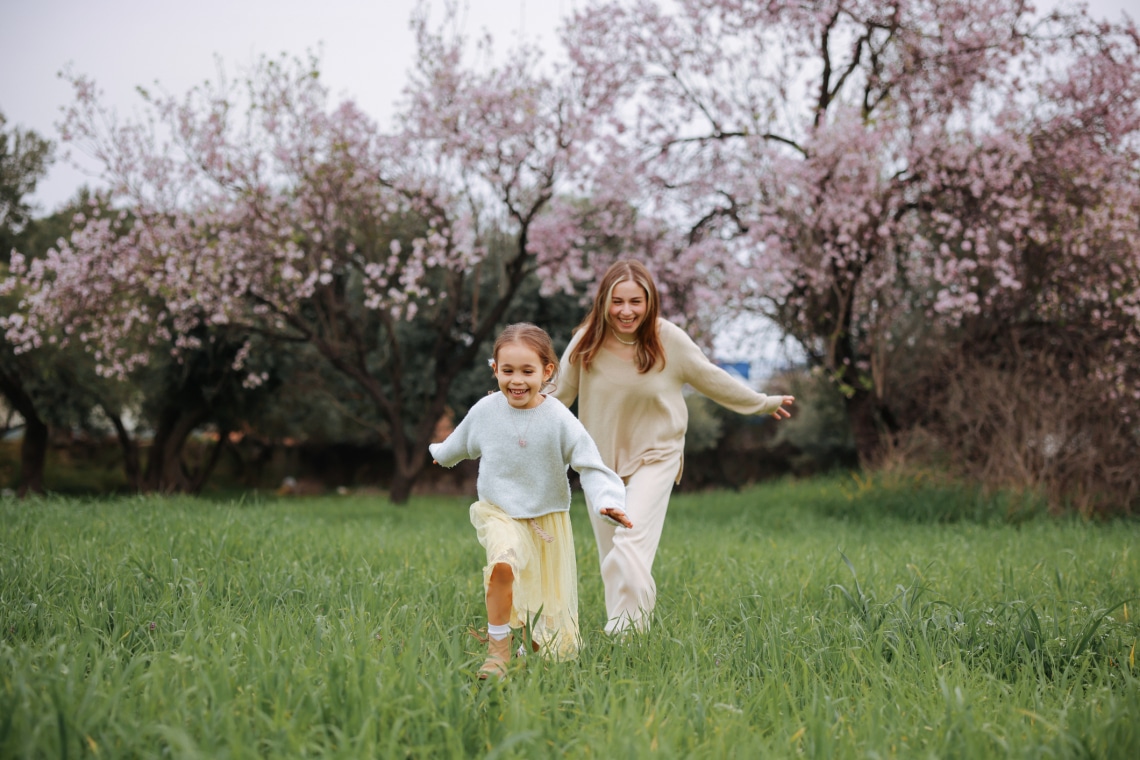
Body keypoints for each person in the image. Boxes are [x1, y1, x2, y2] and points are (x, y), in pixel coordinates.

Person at [554, 260, 794, 635]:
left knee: (629, 542)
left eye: (636, 301)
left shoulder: (669, 340)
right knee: (611, 555)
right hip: (600, 466)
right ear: (603, 302)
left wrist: (760, 401)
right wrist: (512, 405)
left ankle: (624, 634)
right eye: (617, 301)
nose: (626, 311)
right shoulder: (587, 341)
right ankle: (630, 645)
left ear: (650, 302)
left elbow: (711, 377)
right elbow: (558, 395)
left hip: (657, 455)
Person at [430, 322, 632, 679]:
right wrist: (440, 454)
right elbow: (458, 444)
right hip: (499, 512)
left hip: (545, 520)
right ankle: (498, 652)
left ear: (547, 371)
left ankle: (527, 644)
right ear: (495, 369)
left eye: (527, 371)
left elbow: (590, 464)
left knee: (545, 615)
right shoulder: (485, 411)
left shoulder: (557, 418)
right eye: (507, 371)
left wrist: (608, 503)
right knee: (503, 565)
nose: (517, 380)